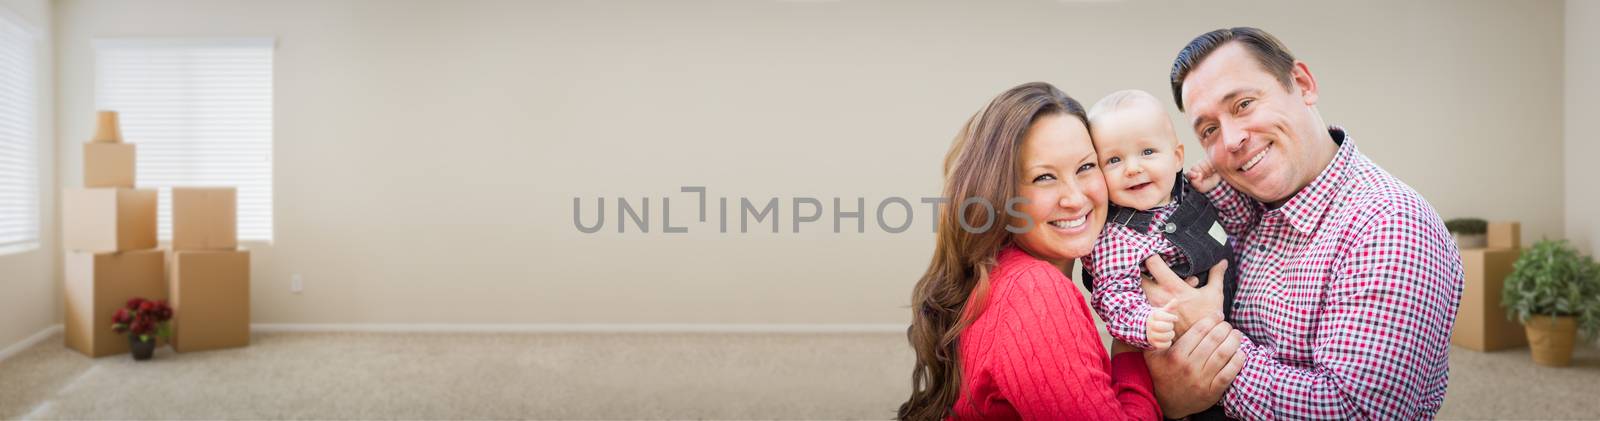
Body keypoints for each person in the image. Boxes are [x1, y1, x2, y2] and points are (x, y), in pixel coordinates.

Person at [1143, 27, 1465, 419]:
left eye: (1243, 104)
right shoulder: (1241, 207)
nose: (1230, 140)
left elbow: (1355, 412)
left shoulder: (1390, 225)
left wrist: (1207, 342)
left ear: (1303, 84)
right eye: (1209, 129)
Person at [897, 82, 1243, 421]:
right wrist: (1151, 379)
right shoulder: (1033, 291)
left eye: (1085, 167)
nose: (1075, 198)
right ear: (1001, 195)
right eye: (1044, 177)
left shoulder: (1004, 276)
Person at [1080, 89, 1242, 353]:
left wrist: (1216, 190)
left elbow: (1237, 227)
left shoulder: (1190, 193)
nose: (1132, 168)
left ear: (1177, 157)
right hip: (1179, 346)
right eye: (1113, 160)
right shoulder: (1116, 237)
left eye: (1147, 151)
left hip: (1238, 323)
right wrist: (1145, 323)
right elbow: (1114, 298)